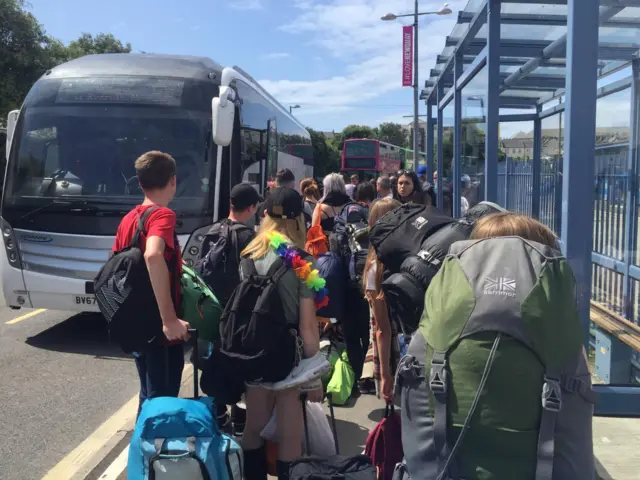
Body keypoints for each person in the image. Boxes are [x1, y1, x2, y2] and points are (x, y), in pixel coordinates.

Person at [241, 187, 328, 480]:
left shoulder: (249, 253)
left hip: (253, 349)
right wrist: (314, 375)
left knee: (252, 429)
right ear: (298, 219)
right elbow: (307, 326)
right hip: (286, 357)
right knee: (290, 438)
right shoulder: (301, 262)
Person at [112, 151, 189, 415]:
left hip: (136, 323)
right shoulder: (162, 215)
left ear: (140, 182)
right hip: (158, 327)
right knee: (161, 403)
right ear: (173, 181)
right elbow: (153, 255)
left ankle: (142, 452)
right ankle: (154, 453)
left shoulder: (128, 219)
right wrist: (169, 320)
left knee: (148, 396)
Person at [197, 182, 260, 434]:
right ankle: (241, 421)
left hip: (212, 310)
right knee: (241, 367)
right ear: (252, 207)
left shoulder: (211, 231)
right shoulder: (248, 237)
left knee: (216, 361)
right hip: (239, 313)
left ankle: (218, 414)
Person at [362, 198, 402, 403]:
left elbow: (382, 329)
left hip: (393, 352)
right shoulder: (411, 258)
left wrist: (385, 374)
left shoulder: (375, 268)